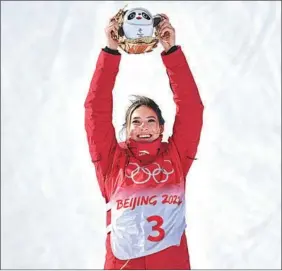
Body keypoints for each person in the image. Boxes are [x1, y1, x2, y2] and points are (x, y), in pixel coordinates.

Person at [84, 13, 204, 270]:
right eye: (136, 122)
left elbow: (192, 109)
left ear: (161, 127)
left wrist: (171, 50)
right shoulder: (111, 163)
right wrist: (110, 50)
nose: (144, 127)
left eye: (151, 121)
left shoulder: (176, 158)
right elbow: (96, 110)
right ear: (126, 129)